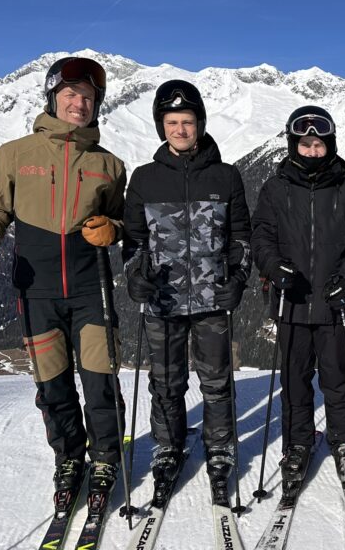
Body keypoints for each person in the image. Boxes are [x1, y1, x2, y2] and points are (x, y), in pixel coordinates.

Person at [0, 57, 127, 509]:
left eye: (89, 97)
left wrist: (114, 227)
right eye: (71, 94)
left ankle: (106, 457)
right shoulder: (15, 155)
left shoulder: (109, 164)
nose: (80, 103)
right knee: (52, 387)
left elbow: (121, 219)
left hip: (94, 291)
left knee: (100, 383)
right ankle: (69, 459)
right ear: (53, 98)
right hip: (37, 292)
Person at [121, 80, 252, 505]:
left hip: (213, 299)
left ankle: (220, 450)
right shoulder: (144, 179)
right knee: (166, 383)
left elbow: (241, 238)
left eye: (187, 122)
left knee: (216, 382)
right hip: (163, 301)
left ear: (200, 124)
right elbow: (134, 242)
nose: (180, 129)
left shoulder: (226, 176)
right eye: (172, 122)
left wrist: (239, 279)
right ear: (162, 127)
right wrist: (134, 277)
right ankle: (167, 448)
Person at [251, 105, 345, 493]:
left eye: (318, 144)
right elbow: (261, 236)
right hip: (291, 300)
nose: (312, 151)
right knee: (294, 379)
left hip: (335, 302)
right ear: (293, 146)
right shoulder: (275, 188)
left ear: (330, 145)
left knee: (338, 379)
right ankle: (298, 443)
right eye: (305, 145)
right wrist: (273, 268)